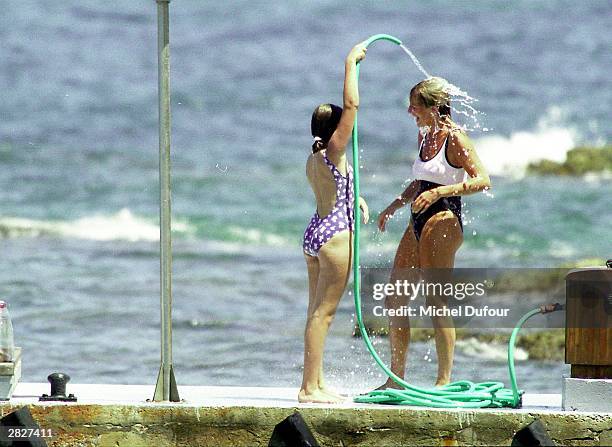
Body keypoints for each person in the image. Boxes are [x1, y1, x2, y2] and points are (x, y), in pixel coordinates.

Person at [376, 77, 491, 389]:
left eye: (415, 104)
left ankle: (443, 382)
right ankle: (396, 379)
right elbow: (420, 181)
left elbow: (482, 180)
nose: (410, 110)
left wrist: (442, 193)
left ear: (434, 107)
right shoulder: (423, 136)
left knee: (435, 301)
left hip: (444, 220)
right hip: (416, 220)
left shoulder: (455, 139)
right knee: (394, 298)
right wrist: (397, 203)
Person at [299, 42, 369, 403]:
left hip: (316, 231)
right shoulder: (335, 151)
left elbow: (331, 190)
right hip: (336, 238)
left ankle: (316, 381)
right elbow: (353, 106)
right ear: (333, 129)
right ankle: (309, 389)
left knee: (315, 313)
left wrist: (353, 197)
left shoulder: (315, 159)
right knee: (324, 315)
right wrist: (350, 63)